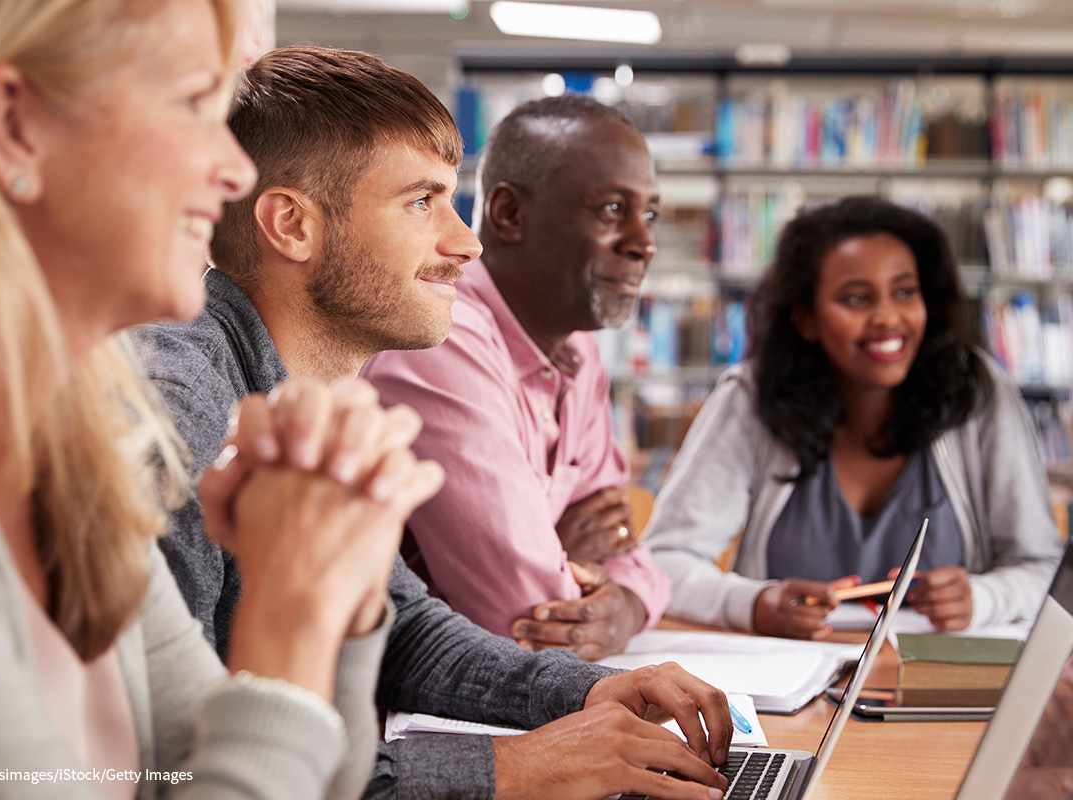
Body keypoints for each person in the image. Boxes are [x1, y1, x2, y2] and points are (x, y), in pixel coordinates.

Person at [0, 2, 446, 798]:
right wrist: (288, 617)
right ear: (14, 128)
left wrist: (331, 590)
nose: (237, 170)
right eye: (194, 106)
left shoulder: (66, 452)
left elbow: (288, 776)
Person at [139, 47, 733, 800]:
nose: (467, 243)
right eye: (422, 202)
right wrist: (515, 769)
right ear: (291, 224)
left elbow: (403, 631)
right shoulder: (177, 408)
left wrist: (589, 693)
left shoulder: (310, 402)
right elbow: (170, 764)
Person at [644, 196, 1063, 639]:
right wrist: (753, 604)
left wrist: (982, 599)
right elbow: (662, 563)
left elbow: (1045, 570)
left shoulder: (978, 393)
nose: (887, 317)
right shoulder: (751, 398)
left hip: (935, 695)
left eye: (905, 292)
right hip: (792, 695)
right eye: (856, 298)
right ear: (805, 318)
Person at [362, 95, 670, 660]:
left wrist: (624, 605)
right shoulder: (442, 337)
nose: (643, 243)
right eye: (610, 210)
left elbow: (630, 550)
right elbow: (525, 617)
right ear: (508, 214)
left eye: (649, 214)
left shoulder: (578, 346)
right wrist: (562, 550)